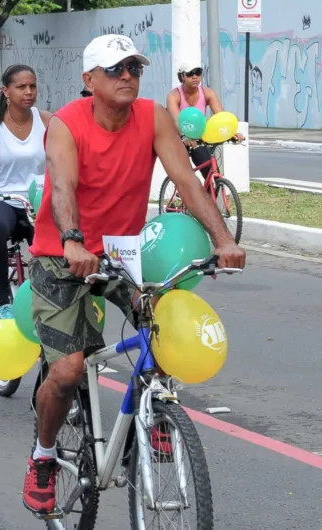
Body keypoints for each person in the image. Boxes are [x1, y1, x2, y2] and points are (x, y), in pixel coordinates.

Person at [21, 34, 246, 516]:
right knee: (66, 371)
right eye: (115, 69)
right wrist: (72, 239)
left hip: (122, 255)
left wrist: (224, 240)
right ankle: (42, 457)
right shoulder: (66, 124)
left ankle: (155, 414)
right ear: (90, 80)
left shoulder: (152, 117)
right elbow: (62, 184)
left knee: (162, 325)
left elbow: (186, 180)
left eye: (134, 69)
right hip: (63, 254)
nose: (127, 76)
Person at [0, 65, 51, 314]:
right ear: (6, 91)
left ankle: (51, 304)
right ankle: (4, 302)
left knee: (59, 247)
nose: (29, 92)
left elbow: (63, 159)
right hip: (0, 199)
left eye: (33, 86)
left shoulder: (48, 120)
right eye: (21, 87)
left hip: (37, 202)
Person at [165, 62, 244, 179]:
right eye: (190, 74)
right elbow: (177, 119)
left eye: (198, 73)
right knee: (184, 176)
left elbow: (221, 116)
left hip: (197, 137)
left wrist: (232, 133)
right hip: (178, 136)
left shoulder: (207, 93)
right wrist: (184, 136)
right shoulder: (174, 95)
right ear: (182, 76)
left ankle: (208, 196)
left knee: (211, 173)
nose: (195, 76)